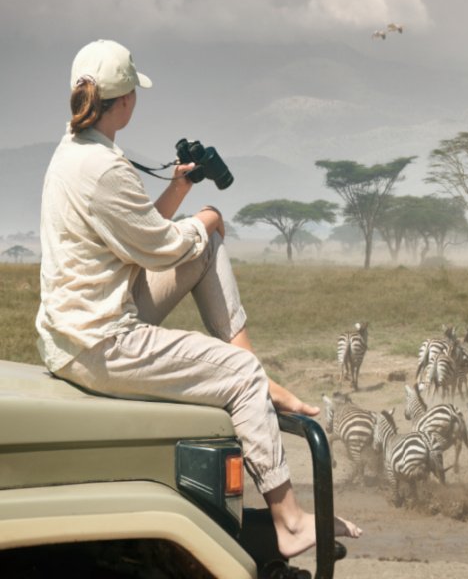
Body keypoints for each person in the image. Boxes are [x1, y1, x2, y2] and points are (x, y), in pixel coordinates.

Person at [36, 39, 361, 558]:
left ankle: (250, 367)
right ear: (126, 102)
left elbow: (137, 234)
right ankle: (290, 518)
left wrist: (182, 190)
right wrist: (206, 218)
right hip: (102, 341)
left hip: (74, 328)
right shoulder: (106, 169)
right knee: (234, 360)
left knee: (204, 243)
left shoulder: (75, 153)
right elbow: (160, 249)